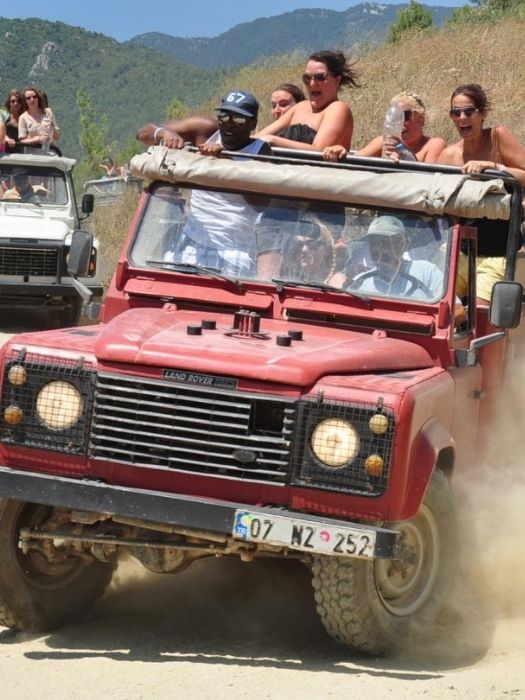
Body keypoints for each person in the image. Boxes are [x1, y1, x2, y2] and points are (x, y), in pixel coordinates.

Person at [136, 90, 272, 276]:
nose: (229, 124)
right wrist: (164, 133)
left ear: (253, 124)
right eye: (223, 116)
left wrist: (226, 164)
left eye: (239, 119)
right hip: (194, 238)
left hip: (234, 247)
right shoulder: (206, 131)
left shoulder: (259, 151)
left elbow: (261, 203)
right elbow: (143, 133)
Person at [438, 83, 525, 305]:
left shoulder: (498, 137)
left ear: (483, 113)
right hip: (459, 252)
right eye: (455, 113)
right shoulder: (448, 156)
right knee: (436, 307)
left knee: (480, 316)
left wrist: (495, 168)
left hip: (499, 253)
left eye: (469, 112)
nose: (462, 118)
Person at [255, 50, 357, 152]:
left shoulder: (338, 109)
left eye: (320, 77)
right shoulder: (300, 107)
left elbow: (319, 151)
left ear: (337, 80)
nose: (312, 84)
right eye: (307, 78)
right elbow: (260, 136)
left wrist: (273, 140)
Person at [324, 92, 447, 163]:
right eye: (394, 116)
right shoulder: (383, 142)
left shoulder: (434, 145)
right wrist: (340, 151)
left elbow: (429, 181)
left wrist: (404, 155)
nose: (399, 122)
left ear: (421, 118)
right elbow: (353, 161)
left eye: (405, 115)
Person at [347, 216, 444, 300]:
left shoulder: (427, 272)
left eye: (385, 243)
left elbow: (451, 307)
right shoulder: (360, 283)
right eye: (374, 243)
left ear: (402, 244)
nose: (379, 250)